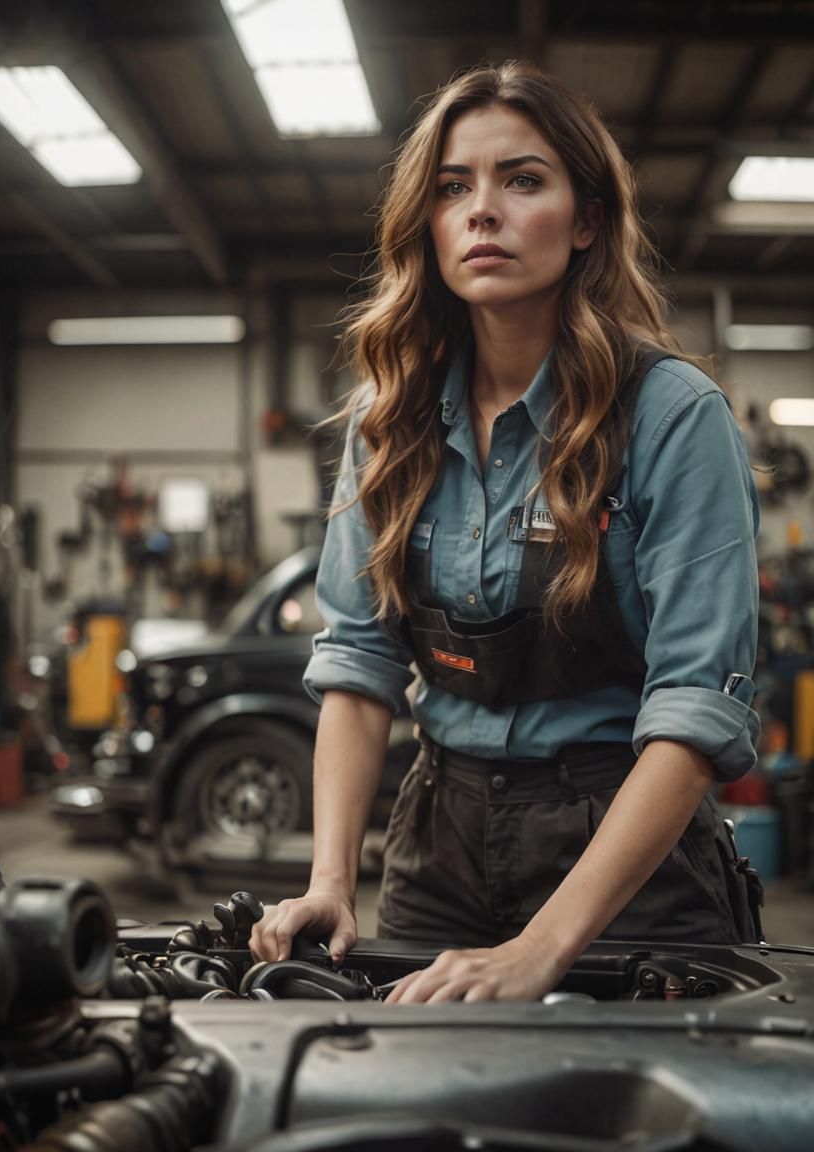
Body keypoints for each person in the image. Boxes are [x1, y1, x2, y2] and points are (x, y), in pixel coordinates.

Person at [249, 60, 761, 1003]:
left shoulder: (672, 417)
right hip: (438, 836)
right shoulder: (387, 421)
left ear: (586, 220)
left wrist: (544, 947)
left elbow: (696, 710)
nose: (482, 210)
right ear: (430, 226)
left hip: (627, 857)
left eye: (523, 180)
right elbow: (360, 666)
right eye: (454, 187)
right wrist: (331, 879)